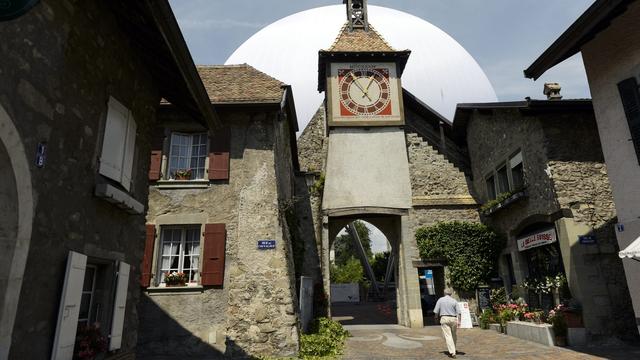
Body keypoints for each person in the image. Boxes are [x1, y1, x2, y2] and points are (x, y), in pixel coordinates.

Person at [433, 288, 460, 358]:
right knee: (454, 335)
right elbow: (459, 312)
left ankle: (452, 352)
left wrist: (436, 318)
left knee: (448, 336)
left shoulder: (440, 300)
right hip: (453, 318)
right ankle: (453, 349)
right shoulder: (454, 301)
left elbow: (436, 311)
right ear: (451, 294)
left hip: (444, 318)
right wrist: (459, 320)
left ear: (444, 293)